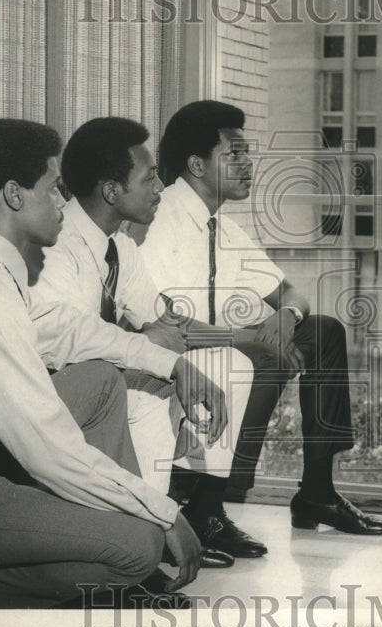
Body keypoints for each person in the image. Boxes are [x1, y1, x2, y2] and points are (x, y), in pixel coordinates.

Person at [0, 118, 229, 607]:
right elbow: (46, 450)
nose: (63, 203)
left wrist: (172, 364)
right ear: (14, 194)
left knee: (97, 380)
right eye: (54, 189)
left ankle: (107, 573)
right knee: (139, 545)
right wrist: (162, 513)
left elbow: (69, 329)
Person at [140, 100, 382, 557]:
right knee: (263, 354)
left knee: (323, 333)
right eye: (234, 153)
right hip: (171, 362)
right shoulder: (160, 221)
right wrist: (251, 337)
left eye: (247, 152)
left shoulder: (225, 228)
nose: (248, 163)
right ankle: (207, 507)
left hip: (222, 354)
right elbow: (161, 325)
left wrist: (285, 315)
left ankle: (317, 492)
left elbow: (293, 292)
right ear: (197, 164)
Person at [33, 116, 254, 567]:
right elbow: (70, 341)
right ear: (113, 191)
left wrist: (157, 339)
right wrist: (150, 343)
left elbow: (163, 321)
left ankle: (180, 521)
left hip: (101, 373)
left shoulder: (120, 248)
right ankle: (147, 541)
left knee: (216, 368)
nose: (159, 189)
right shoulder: (60, 246)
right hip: (54, 392)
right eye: (149, 179)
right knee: (150, 393)